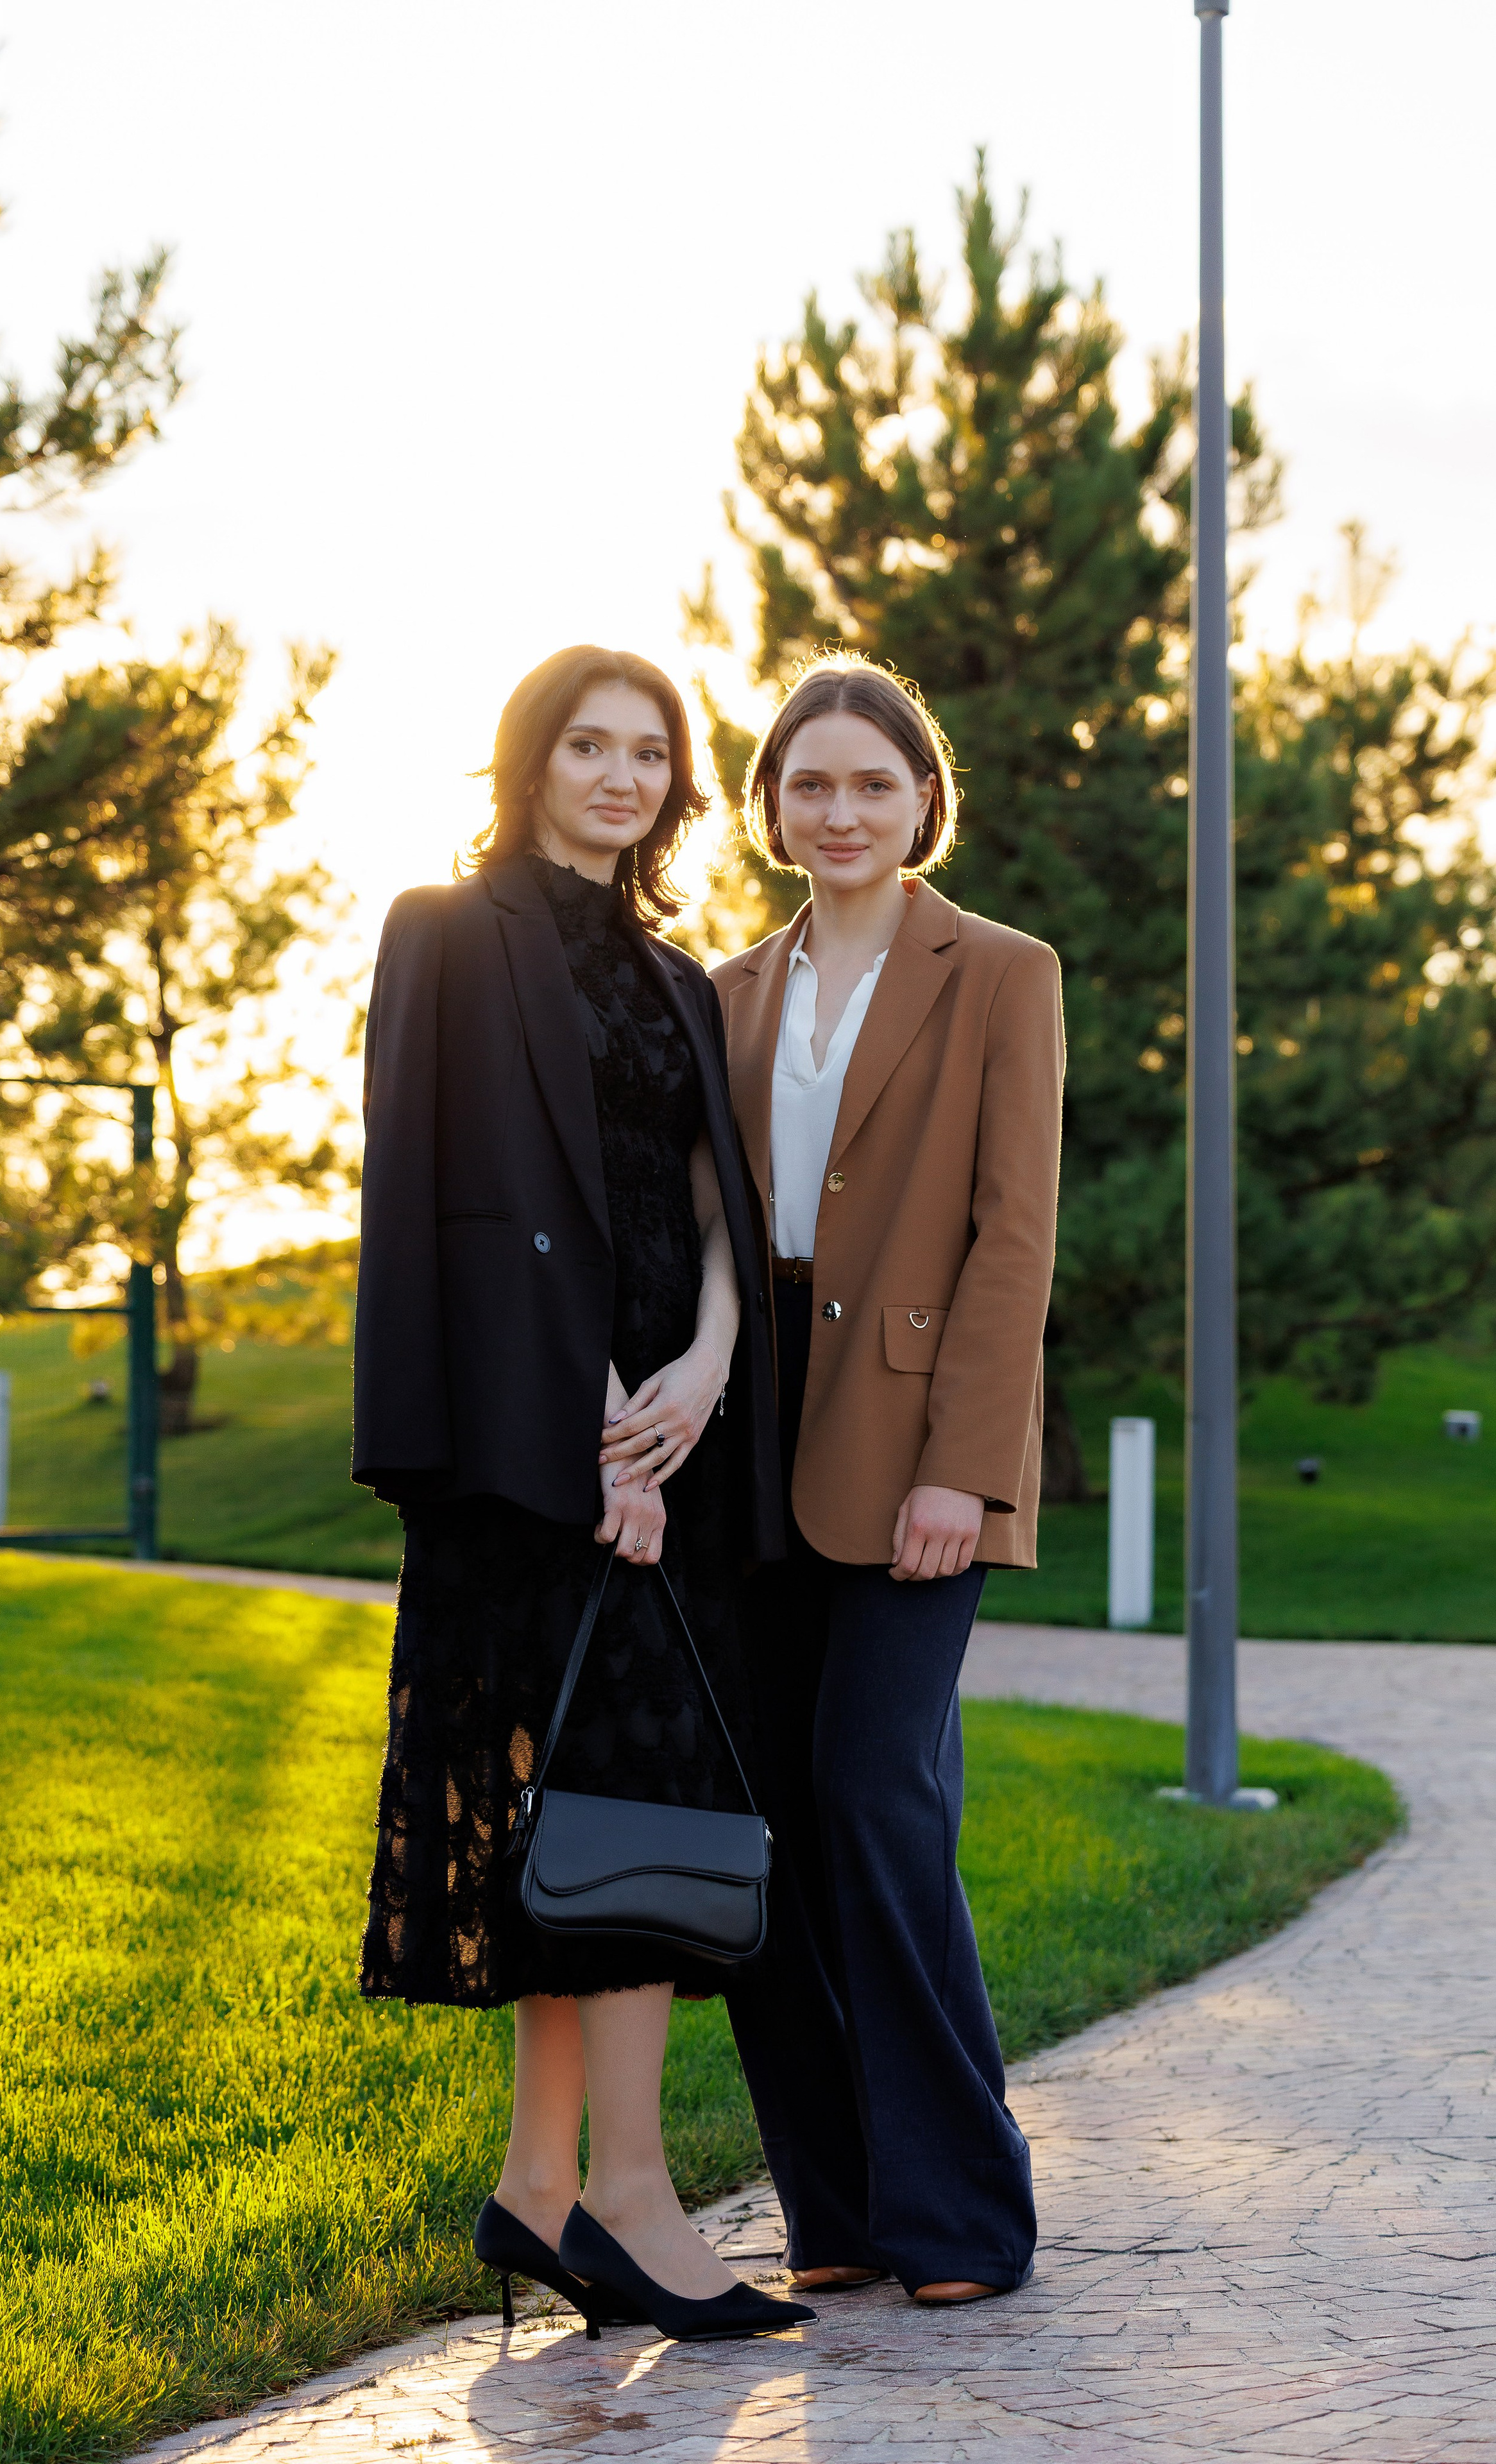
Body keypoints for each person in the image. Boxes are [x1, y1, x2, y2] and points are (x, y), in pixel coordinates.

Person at [352, 644, 810, 2344]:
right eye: (590, 745)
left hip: (665, 1444)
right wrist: (581, 1425)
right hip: (516, 1452)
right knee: (606, 1795)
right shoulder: (446, 936)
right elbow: (435, 1198)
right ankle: (627, 2197)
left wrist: (701, 1362)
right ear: (530, 758)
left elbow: (710, 1204)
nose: (622, 775)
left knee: (607, 1820)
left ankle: (539, 2192)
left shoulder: (679, 978)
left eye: (651, 753)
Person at [714, 653, 1064, 2307]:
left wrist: (961, 1473)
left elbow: (1013, 1243)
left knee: (876, 1796)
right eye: (809, 785)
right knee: (768, 1826)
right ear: (769, 807)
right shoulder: (726, 989)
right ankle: (840, 2213)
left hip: (915, 1433)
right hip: (750, 1424)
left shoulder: (1000, 972)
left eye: (871, 783)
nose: (839, 811)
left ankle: (965, 2212)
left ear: (926, 799)